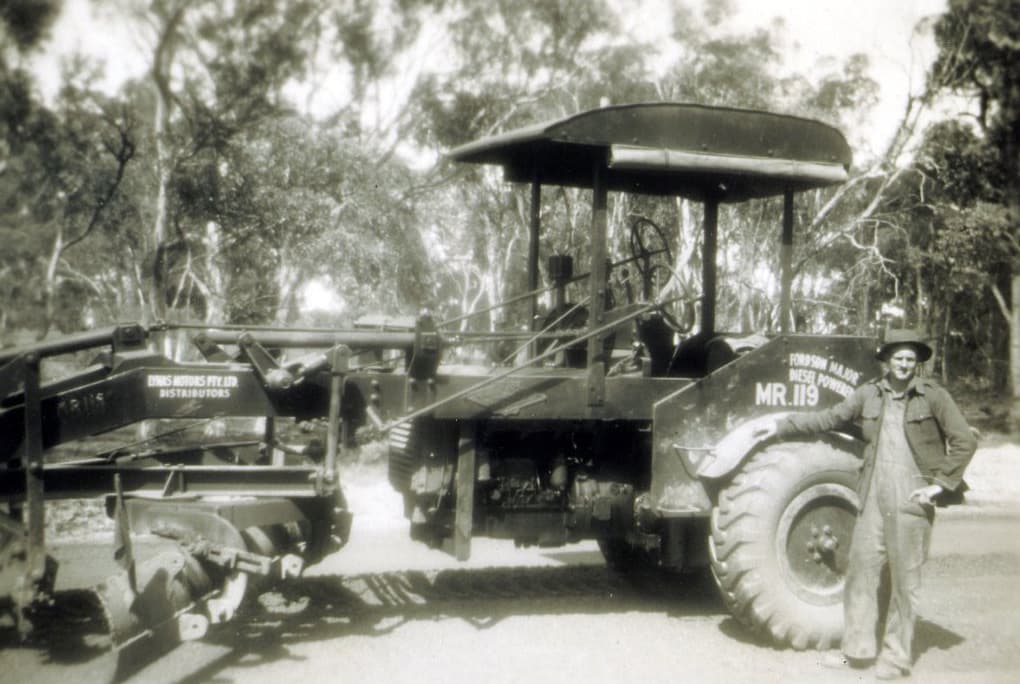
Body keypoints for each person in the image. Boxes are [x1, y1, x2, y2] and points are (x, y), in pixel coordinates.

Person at [755, 329, 977, 680]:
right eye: (898, 358)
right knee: (860, 575)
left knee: (905, 584)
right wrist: (781, 427)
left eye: (910, 359)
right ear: (886, 360)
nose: (904, 365)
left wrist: (937, 488)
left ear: (916, 363)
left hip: (911, 498)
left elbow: (963, 440)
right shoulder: (869, 394)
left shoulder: (933, 396)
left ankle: (896, 659)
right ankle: (856, 653)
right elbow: (829, 418)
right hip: (873, 496)